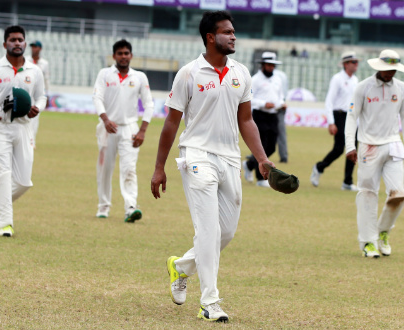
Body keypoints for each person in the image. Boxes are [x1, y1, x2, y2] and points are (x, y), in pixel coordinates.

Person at [151, 11, 274, 322]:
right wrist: (159, 167)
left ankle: (180, 267)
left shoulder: (241, 73)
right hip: (196, 156)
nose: (234, 37)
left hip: (230, 159)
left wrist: (261, 158)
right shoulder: (189, 73)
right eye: (227, 32)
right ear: (210, 37)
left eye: (234, 32)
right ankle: (210, 303)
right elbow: (171, 123)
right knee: (207, 230)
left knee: (225, 232)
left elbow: (246, 121)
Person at [0, 25, 47, 237]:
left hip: (24, 127)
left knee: (24, 182)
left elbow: (42, 97)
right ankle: (5, 224)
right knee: (3, 174)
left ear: (25, 43)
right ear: (5, 44)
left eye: (20, 40)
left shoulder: (35, 71)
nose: (17, 43)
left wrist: (37, 108)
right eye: (12, 40)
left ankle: (1, 205)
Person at [345, 49, 404, 258]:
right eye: (387, 69)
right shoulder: (363, 87)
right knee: (367, 194)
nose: (390, 73)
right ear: (378, 66)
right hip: (368, 145)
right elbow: (351, 117)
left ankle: (383, 231)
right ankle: (368, 242)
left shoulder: (401, 88)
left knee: (399, 193)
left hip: (394, 144)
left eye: (393, 69)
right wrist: (350, 146)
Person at [93, 39, 154, 222]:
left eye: (126, 53)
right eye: (120, 53)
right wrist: (105, 120)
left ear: (131, 56)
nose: (123, 57)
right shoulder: (105, 74)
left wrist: (143, 131)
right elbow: (97, 98)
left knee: (129, 169)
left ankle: (130, 208)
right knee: (105, 168)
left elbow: (149, 104)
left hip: (129, 128)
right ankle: (103, 206)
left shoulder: (139, 77)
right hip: (107, 128)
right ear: (114, 56)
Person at [311, 51, 360, 191]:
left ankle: (347, 181)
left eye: (356, 62)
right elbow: (329, 101)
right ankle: (319, 167)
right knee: (339, 149)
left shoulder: (355, 80)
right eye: (353, 62)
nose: (356, 64)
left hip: (352, 117)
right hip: (339, 115)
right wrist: (331, 122)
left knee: (353, 148)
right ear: (345, 64)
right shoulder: (337, 79)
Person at [243, 51, 286, 187]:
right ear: (263, 65)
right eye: (268, 65)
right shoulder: (255, 79)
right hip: (260, 116)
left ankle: (249, 164)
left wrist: (281, 104)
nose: (271, 67)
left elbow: (280, 96)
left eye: (273, 65)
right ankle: (260, 178)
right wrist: (263, 104)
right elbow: (249, 99)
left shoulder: (278, 79)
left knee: (272, 147)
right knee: (261, 145)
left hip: (273, 115)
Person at [25, 40, 50, 149]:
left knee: (35, 118)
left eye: (36, 47)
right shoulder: (26, 60)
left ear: (40, 49)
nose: (34, 49)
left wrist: (47, 94)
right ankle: (23, 139)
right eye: (32, 47)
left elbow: (46, 79)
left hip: (39, 94)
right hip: (26, 92)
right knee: (24, 116)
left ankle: (32, 141)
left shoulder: (44, 64)